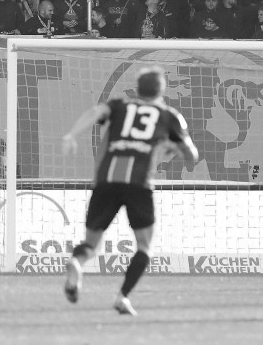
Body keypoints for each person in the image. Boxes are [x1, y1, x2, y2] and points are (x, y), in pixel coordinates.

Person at [60, 66, 199, 315]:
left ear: (136, 88)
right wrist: (175, 148)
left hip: (106, 180)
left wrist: (71, 135)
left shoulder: (118, 105)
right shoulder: (169, 115)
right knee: (144, 246)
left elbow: (94, 112)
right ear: (161, 90)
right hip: (139, 184)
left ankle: (76, 262)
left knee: (91, 243)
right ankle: (122, 297)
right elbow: (192, 154)